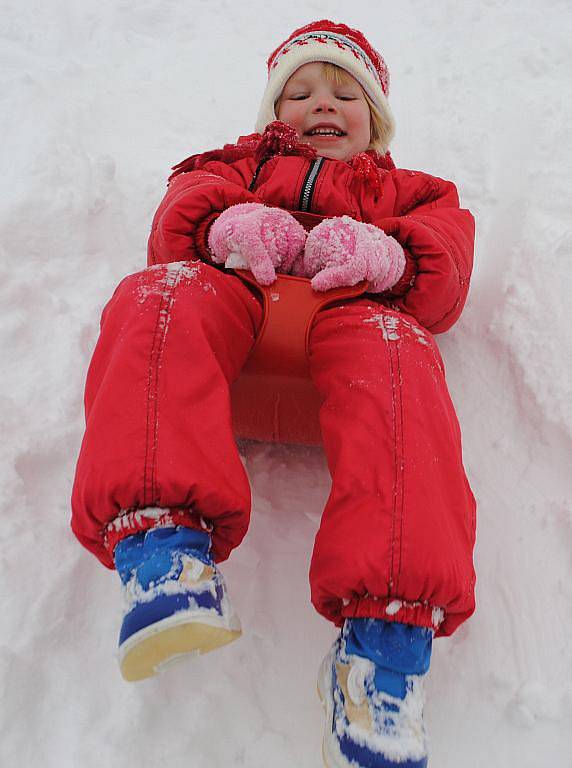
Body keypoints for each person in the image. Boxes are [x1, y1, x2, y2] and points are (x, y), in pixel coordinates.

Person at [71, 19, 476, 768]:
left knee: (404, 356)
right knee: (160, 294)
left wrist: (385, 252)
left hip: (351, 324)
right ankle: (163, 550)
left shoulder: (415, 191)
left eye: (344, 91)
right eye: (299, 91)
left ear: (376, 119)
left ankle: (384, 648)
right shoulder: (232, 165)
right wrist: (228, 221)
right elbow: (174, 225)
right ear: (271, 114)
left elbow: (447, 271)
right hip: (240, 312)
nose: (321, 102)